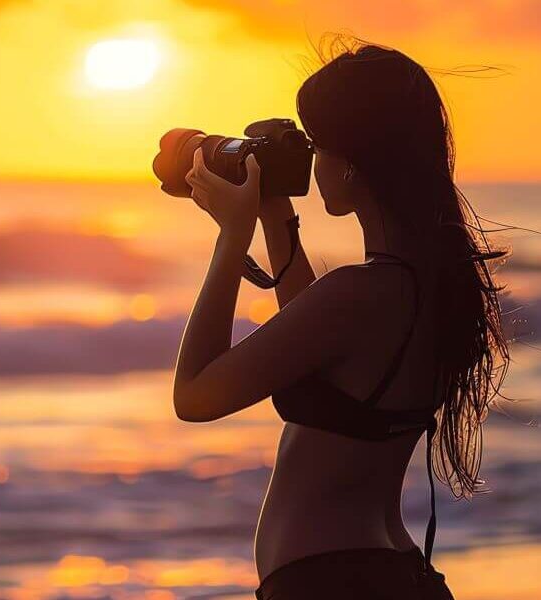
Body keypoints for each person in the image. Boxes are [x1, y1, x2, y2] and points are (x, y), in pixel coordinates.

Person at [169, 38, 509, 599]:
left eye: (318, 148)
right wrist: (275, 214)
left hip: (331, 583)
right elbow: (318, 348)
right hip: (399, 574)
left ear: (351, 164)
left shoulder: (358, 295)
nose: (312, 162)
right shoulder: (427, 288)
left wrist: (232, 236)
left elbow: (195, 396)